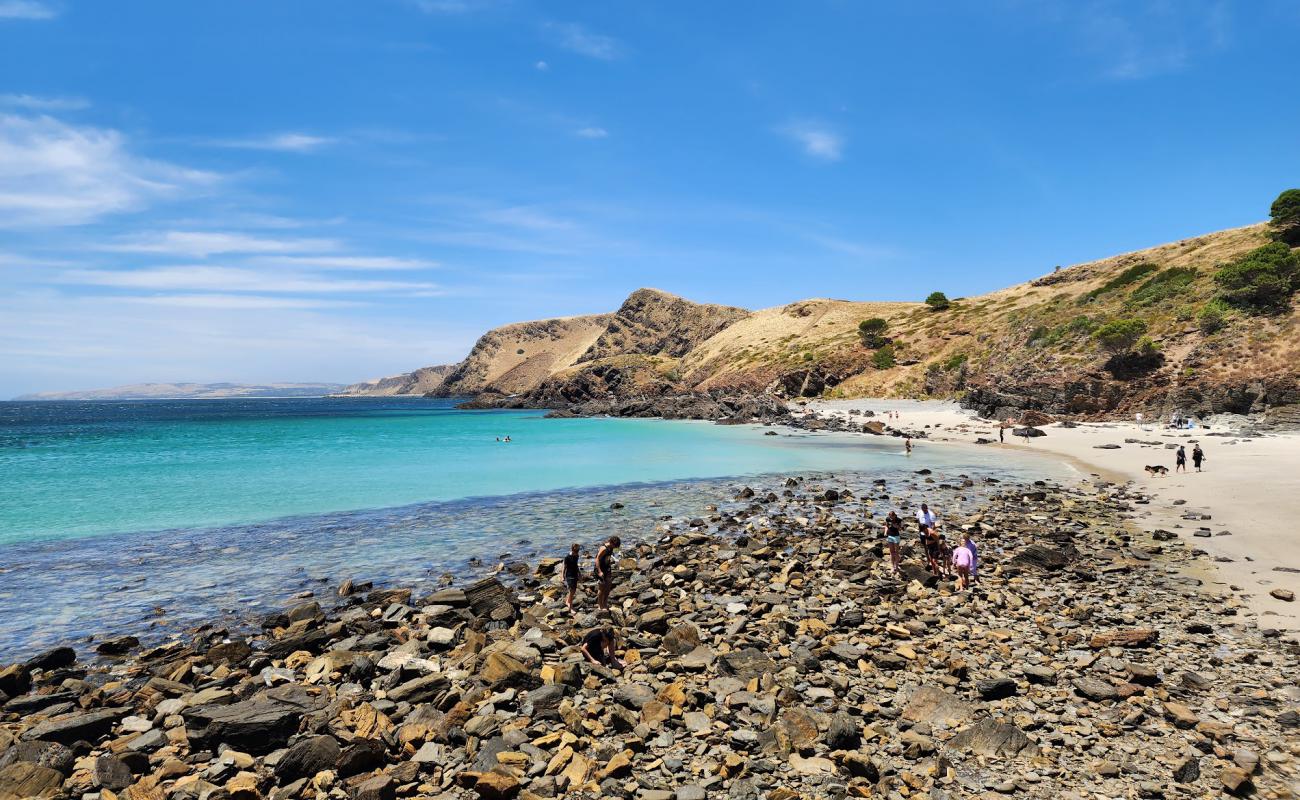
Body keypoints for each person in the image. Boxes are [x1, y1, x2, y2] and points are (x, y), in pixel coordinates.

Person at [595, 535, 620, 611]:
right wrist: (599, 571)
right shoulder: (603, 549)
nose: (615, 547)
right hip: (600, 570)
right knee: (601, 588)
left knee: (608, 586)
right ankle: (600, 605)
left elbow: (610, 558)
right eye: (615, 546)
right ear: (611, 543)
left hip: (607, 569)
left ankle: (605, 602)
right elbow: (597, 560)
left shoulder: (611, 547)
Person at [562, 543, 581, 614]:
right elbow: (564, 567)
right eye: (576, 552)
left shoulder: (577, 556)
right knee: (571, 591)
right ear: (572, 550)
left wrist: (579, 574)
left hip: (575, 574)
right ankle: (570, 607)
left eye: (578, 551)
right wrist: (562, 576)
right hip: (569, 575)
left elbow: (576, 566)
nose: (577, 553)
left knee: (574, 590)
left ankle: (567, 601)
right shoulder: (567, 557)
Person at [883, 511, 903, 576]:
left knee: (896, 552)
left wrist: (896, 526)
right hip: (890, 536)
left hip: (896, 536)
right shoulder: (887, 519)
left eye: (892, 517)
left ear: (894, 516)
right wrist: (885, 532)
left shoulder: (898, 520)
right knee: (891, 552)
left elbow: (900, 529)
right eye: (890, 516)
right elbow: (886, 526)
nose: (890, 518)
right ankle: (892, 567)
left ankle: (896, 567)